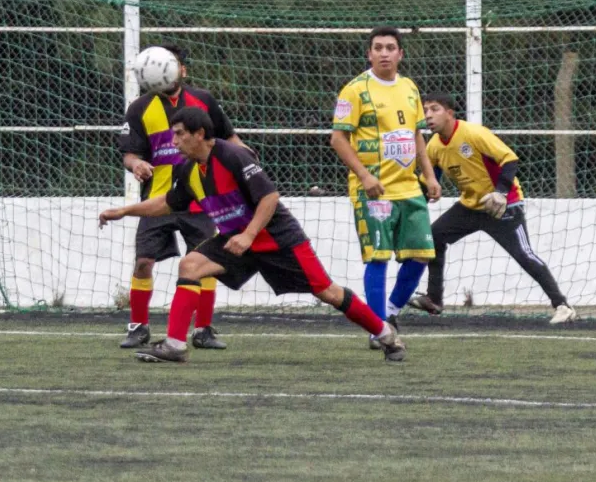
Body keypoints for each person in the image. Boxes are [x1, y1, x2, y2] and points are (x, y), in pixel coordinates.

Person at [99, 108, 407, 363]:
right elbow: (168, 203)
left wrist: (248, 235)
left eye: (179, 134)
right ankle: (175, 345)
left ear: (200, 134)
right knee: (190, 265)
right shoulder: (187, 169)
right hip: (237, 239)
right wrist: (125, 211)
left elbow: (269, 197)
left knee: (328, 292)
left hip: (277, 238)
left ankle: (386, 334)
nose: (173, 141)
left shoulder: (233, 155)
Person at [407, 93, 576, 324]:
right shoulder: (434, 146)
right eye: (425, 110)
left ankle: (562, 305)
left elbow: (510, 159)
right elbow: (429, 182)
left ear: (449, 113)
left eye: (434, 109)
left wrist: (501, 192)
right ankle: (434, 299)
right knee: (434, 236)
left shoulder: (473, 133)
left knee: (524, 255)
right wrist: (410, 212)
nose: (428, 115)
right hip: (471, 206)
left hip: (503, 206)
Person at [117, 44, 242, 350]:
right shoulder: (139, 108)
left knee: (205, 262)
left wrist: (245, 160)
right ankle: (138, 326)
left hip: (200, 199)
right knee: (143, 262)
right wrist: (137, 164)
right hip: (158, 200)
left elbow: (229, 138)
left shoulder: (204, 100)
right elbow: (129, 154)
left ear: (182, 70)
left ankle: (203, 329)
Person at [329, 26, 441, 349]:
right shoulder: (355, 90)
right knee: (377, 257)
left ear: (400, 54)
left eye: (390, 48)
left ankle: (389, 312)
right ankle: (377, 330)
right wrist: (365, 176)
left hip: (409, 188)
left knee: (422, 255)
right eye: (378, 48)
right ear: (369, 54)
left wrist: (429, 176)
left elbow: (417, 135)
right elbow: (338, 138)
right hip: (373, 191)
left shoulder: (409, 87)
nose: (384, 53)